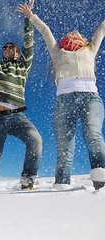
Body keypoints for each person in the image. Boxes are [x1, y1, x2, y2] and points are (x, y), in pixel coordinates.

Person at [17, 4, 105, 190]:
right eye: (69, 35)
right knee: (64, 148)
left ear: (81, 40)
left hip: (90, 98)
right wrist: (31, 16)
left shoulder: (89, 50)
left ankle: (102, 178)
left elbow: (102, 29)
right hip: (64, 101)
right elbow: (45, 30)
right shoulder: (57, 51)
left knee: (93, 134)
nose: (71, 36)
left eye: (76, 35)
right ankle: (61, 185)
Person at [0, 1, 42, 190]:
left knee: (35, 140)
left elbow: (29, 43)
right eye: (5, 47)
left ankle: (27, 182)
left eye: (11, 47)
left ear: (17, 53)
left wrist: (28, 18)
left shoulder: (23, 66)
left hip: (18, 116)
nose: (7, 49)